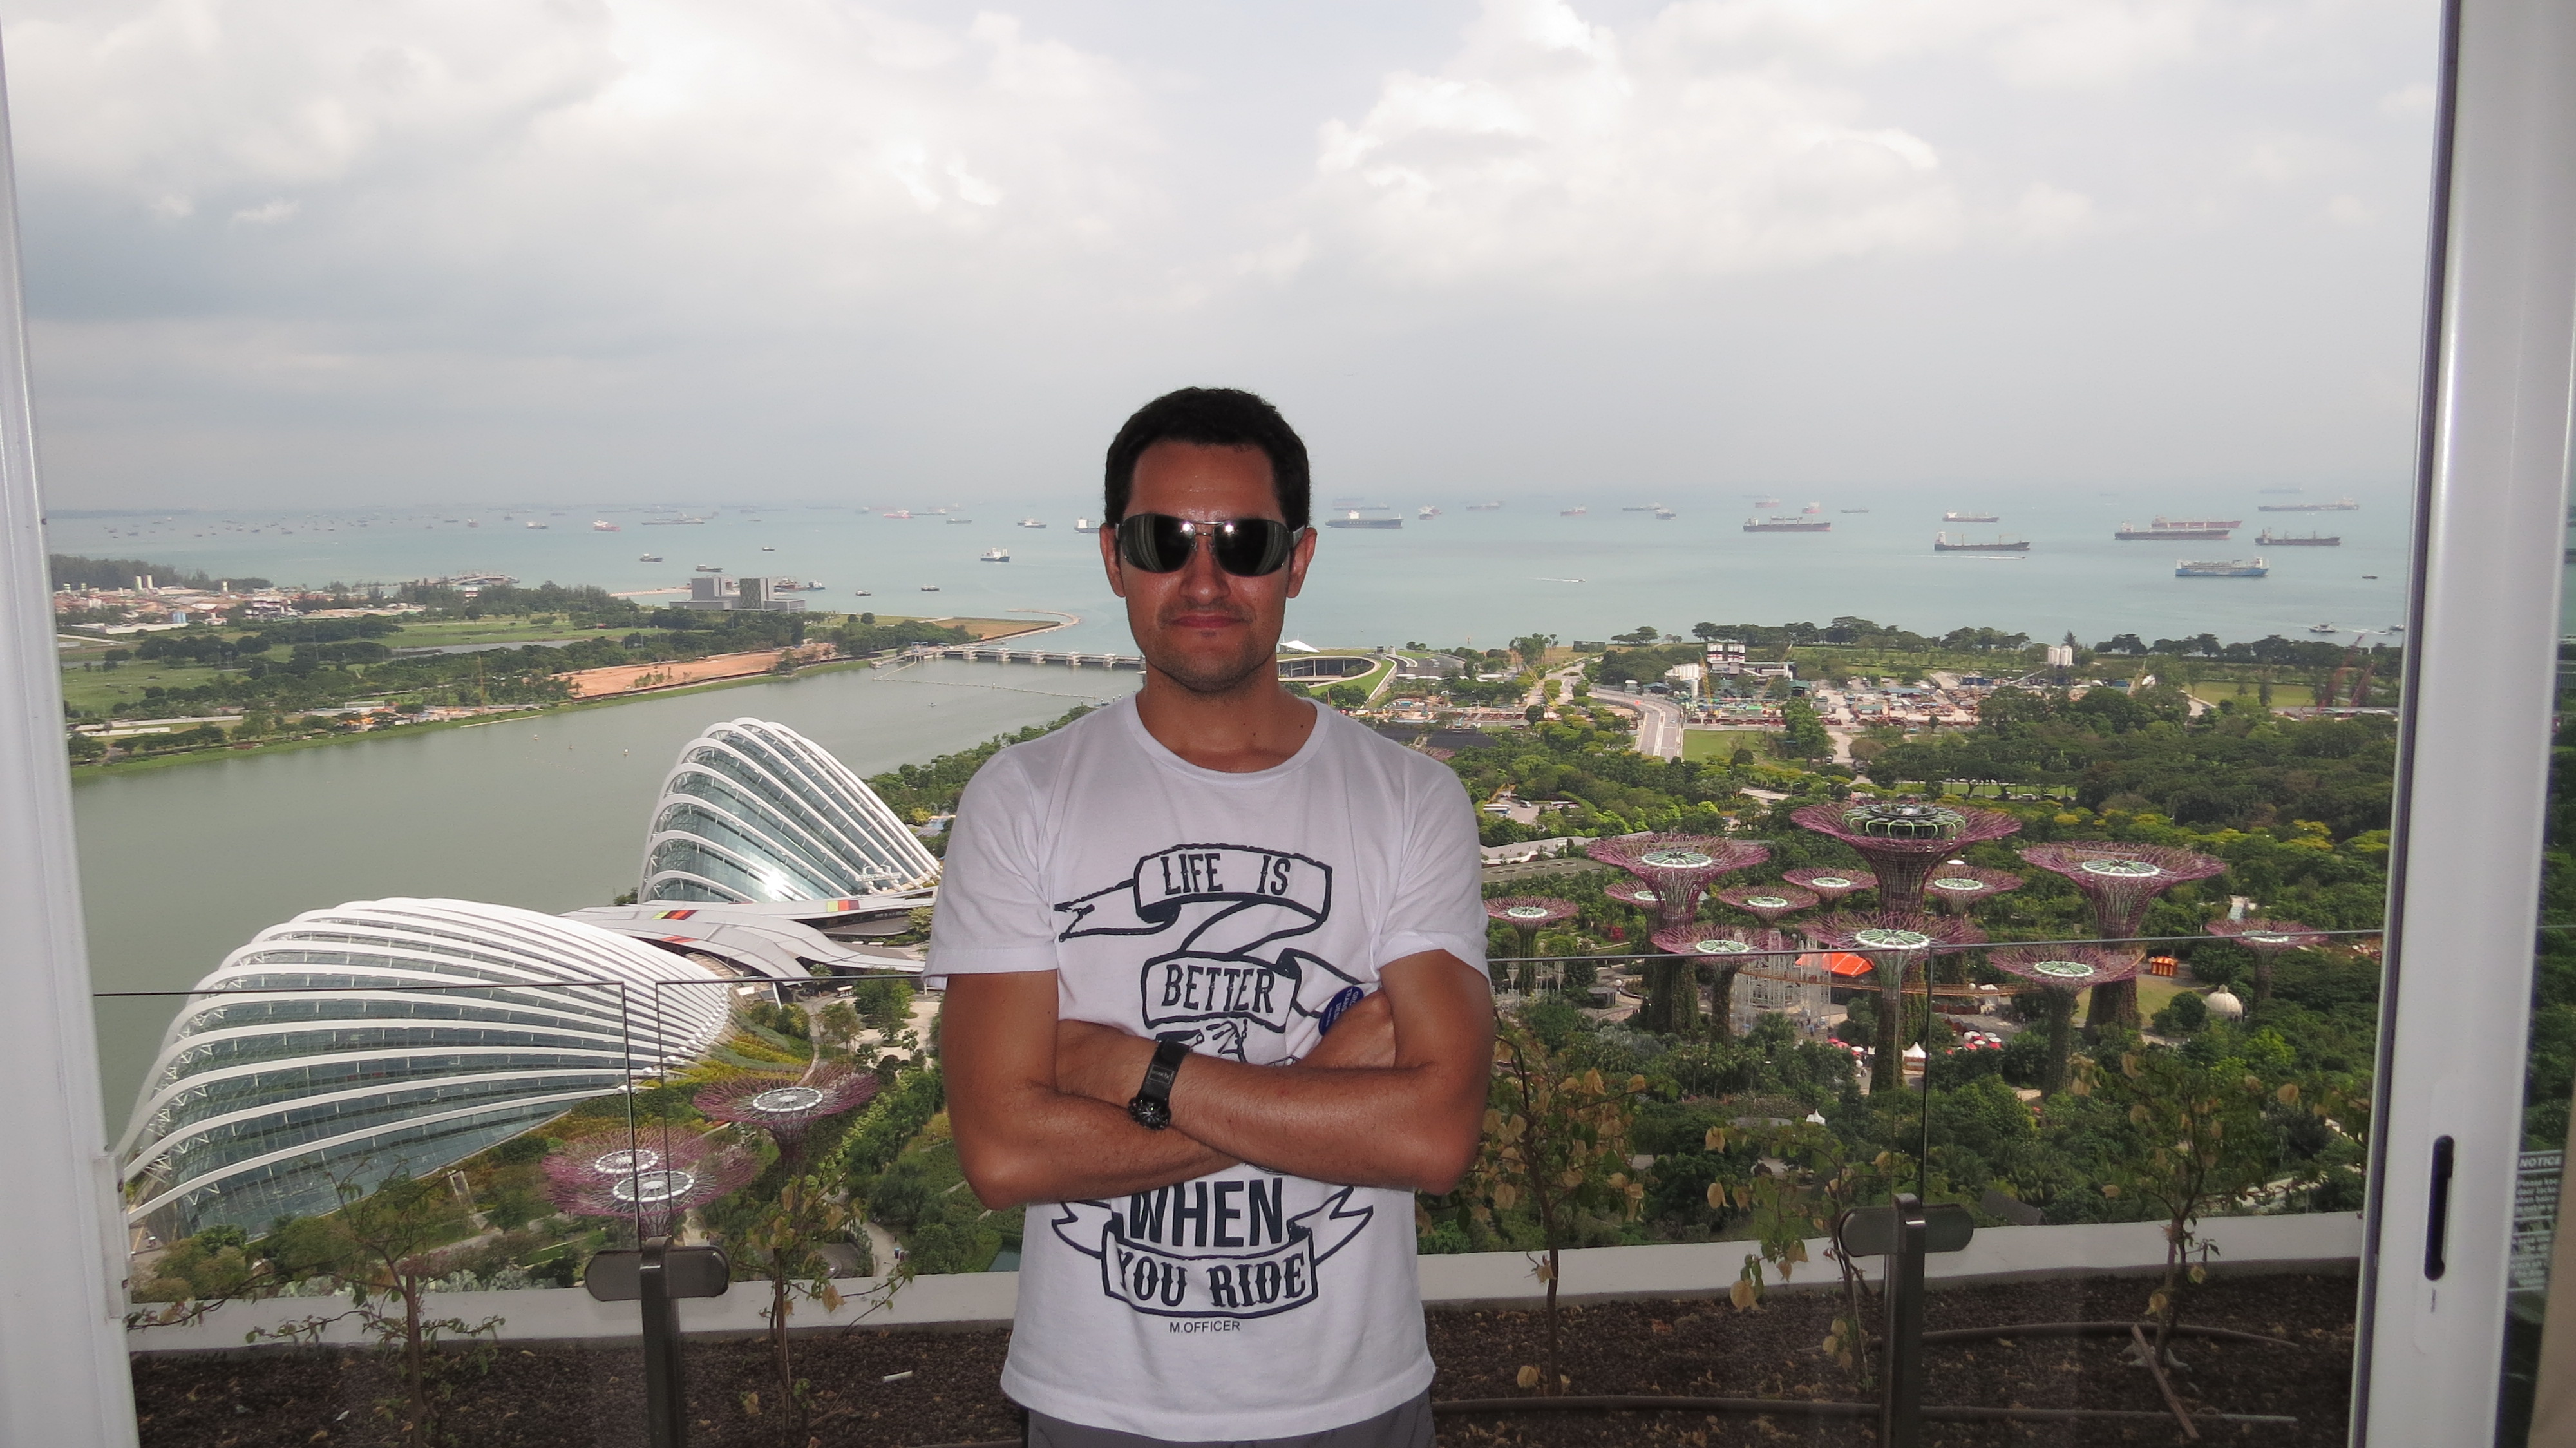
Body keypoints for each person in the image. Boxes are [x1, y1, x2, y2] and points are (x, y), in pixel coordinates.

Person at [933, 386, 1495, 1448]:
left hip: (1355, 1400)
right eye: (1164, 541)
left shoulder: (1411, 799)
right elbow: (1005, 1155)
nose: (1203, 580)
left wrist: (1129, 1069)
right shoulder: (1023, 800)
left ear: (1298, 559)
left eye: (1244, 542)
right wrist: (1321, 1088)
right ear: (1114, 558)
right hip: (1098, 1405)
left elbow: (1430, 1137)